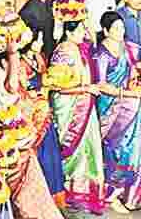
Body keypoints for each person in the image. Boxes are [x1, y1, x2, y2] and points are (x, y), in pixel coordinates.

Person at [93, 11, 141, 213]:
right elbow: (102, 84)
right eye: (115, 28)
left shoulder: (129, 48)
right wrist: (126, 93)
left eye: (122, 28)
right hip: (113, 108)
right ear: (106, 31)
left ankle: (137, 193)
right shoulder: (101, 54)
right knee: (117, 150)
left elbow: (137, 68)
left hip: (134, 104)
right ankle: (112, 194)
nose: (120, 31)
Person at [48, 19, 106, 215]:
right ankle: (71, 189)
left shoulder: (79, 48)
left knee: (89, 148)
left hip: (85, 104)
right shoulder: (63, 52)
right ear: (69, 32)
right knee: (75, 150)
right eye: (81, 29)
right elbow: (57, 86)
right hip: (70, 108)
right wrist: (86, 89)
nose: (84, 32)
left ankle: (84, 191)